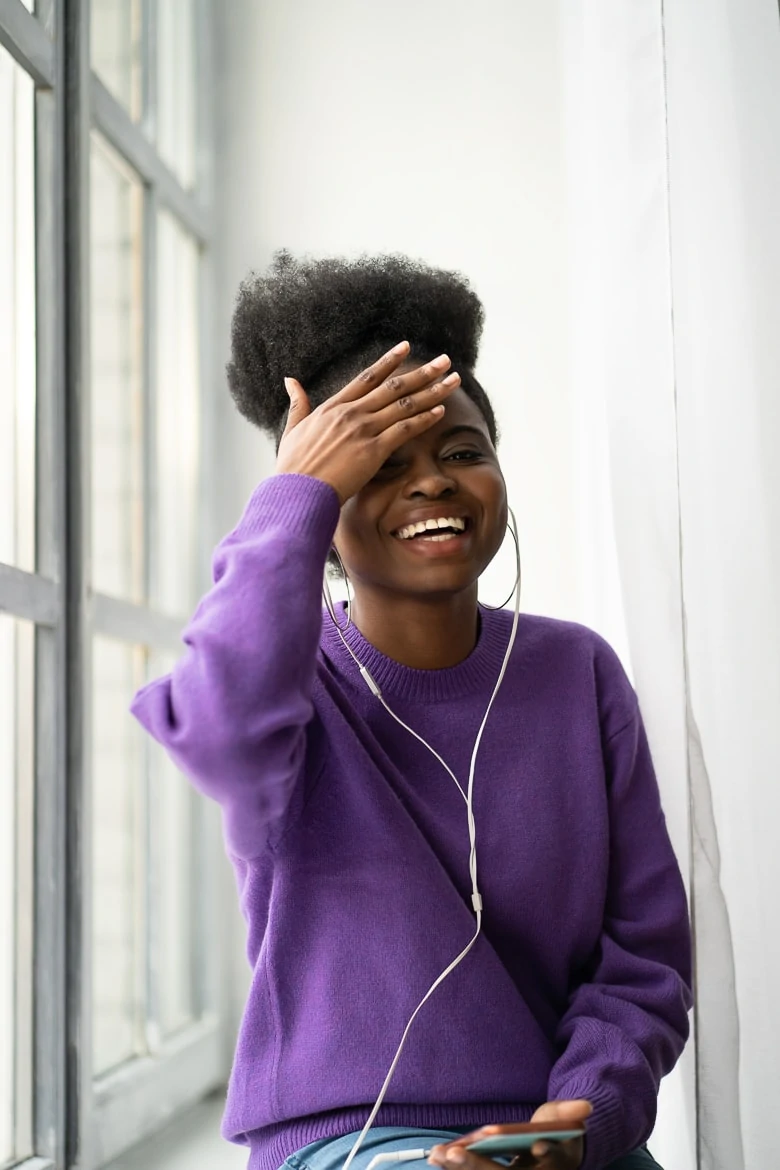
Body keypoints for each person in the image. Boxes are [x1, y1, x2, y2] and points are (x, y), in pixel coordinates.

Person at [131, 252, 692, 1170]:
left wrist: (578, 1117)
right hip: (349, 1139)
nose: (432, 482)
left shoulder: (577, 673)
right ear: (325, 505)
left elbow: (643, 961)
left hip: (557, 1135)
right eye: (379, 466)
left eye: (462, 452)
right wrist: (292, 493)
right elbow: (216, 735)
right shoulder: (287, 683)